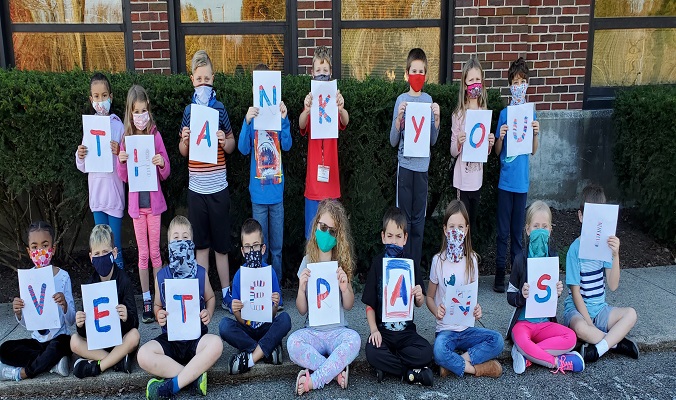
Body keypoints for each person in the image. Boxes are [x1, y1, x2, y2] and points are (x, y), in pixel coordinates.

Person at [137, 216, 222, 399]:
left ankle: (173, 385)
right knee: (143, 355)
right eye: (176, 238)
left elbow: (211, 298)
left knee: (216, 344)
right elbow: (157, 305)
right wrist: (159, 314)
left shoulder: (200, 273)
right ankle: (192, 378)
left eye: (185, 238)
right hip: (171, 338)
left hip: (196, 339)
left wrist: (209, 312)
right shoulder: (161, 276)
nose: (180, 241)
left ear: (191, 243)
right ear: (168, 244)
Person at [179, 50, 236, 311]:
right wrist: (185, 140)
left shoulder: (219, 108)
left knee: (221, 247)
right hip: (197, 189)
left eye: (207, 79)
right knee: (201, 246)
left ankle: (225, 292)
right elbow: (183, 151)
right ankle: (204, 294)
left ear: (213, 78)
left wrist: (226, 143)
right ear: (192, 80)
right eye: (198, 79)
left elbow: (232, 144)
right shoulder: (189, 111)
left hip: (218, 187)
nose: (203, 83)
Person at [287, 200, 360, 395]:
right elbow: (302, 309)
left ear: (339, 236)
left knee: (354, 340)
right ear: (316, 226)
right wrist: (301, 289)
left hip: (338, 331)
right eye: (323, 227)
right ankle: (335, 371)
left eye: (332, 231)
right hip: (313, 332)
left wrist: (345, 289)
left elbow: (350, 305)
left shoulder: (341, 262)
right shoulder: (307, 261)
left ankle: (316, 379)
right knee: (292, 343)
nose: (326, 234)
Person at [427, 200, 503, 379]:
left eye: (460, 227)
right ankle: (477, 369)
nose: (456, 231)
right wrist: (435, 310)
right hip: (445, 329)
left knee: (497, 341)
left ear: (466, 230)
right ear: (445, 229)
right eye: (452, 226)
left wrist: (477, 310)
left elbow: (472, 300)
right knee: (438, 350)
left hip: (467, 328)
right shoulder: (438, 261)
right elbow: (429, 297)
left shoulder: (472, 261)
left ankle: (455, 363)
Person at [563, 184, 639, 363]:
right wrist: (589, 323)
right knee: (581, 329)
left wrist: (615, 254)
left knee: (631, 314)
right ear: (581, 216)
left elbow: (613, 285)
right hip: (577, 311)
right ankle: (616, 343)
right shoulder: (574, 250)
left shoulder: (605, 246)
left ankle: (597, 349)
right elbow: (575, 293)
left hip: (601, 309)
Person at [506, 201, 584, 374]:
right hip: (523, 323)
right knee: (520, 338)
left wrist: (557, 290)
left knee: (571, 337)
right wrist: (521, 294)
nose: (540, 231)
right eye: (536, 226)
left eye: (544, 227)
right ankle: (558, 362)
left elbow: (548, 293)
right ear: (527, 230)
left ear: (550, 230)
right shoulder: (520, 259)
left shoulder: (552, 258)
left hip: (544, 323)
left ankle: (527, 356)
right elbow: (510, 295)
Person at [117, 85, 171, 323]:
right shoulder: (126, 140)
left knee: (156, 253)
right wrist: (121, 160)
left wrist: (161, 163)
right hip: (137, 209)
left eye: (144, 110)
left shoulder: (155, 135)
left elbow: (166, 171)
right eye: (136, 111)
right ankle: (147, 298)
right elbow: (124, 177)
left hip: (154, 206)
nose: (141, 115)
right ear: (130, 113)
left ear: (149, 110)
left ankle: (159, 298)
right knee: (143, 255)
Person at [362, 207, 434, 385]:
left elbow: (420, 302)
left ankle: (389, 367)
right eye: (390, 236)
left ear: (405, 238)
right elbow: (369, 305)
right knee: (372, 350)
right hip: (383, 332)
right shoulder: (378, 264)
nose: (394, 241)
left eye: (398, 236)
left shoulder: (410, 263)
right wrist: (374, 330)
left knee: (426, 352)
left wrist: (419, 297)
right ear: (383, 237)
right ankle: (410, 372)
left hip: (406, 333)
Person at [238, 64, 292, 289]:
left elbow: (287, 145)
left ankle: (275, 290)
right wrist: (247, 121)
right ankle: (262, 288)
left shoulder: (278, 119)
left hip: (276, 194)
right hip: (259, 196)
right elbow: (242, 148)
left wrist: (284, 119)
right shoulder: (254, 120)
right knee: (259, 246)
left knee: (276, 248)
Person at [0, 222, 75, 381]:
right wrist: (19, 313)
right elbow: (29, 324)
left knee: (59, 346)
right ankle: (52, 364)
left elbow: (71, 320)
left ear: (53, 249)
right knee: (5, 349)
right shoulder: (28, 279)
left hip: (59, 338)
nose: (39, 251)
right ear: (29, 251)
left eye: (45, 245)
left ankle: (23, 373)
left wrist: (65, 305)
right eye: (34, 247)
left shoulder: (63, 277)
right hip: (37, 342)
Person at [390, 47, 441, 273]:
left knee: (418, 223)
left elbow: (432, 140)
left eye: (421, 71)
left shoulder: (429, 101)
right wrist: (399, 119)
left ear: (426, 75)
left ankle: (416, 273)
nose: (417, 75)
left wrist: (437, 120)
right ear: (407, 74)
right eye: (414, 71)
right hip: (405, 167)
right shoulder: (401, 100)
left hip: (422, 168)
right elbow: (393, 140)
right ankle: (402, 267)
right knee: (404, 221)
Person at [492, 57, 541, 293]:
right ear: (510, 85)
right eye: (514, 81)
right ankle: (500, 274)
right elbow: (497, 151)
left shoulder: (530, 113)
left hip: (521, 183)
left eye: (522, 81)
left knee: (517, 233)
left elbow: (533, 150)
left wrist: (535, 133)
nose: (518, 85)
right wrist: (500, 136)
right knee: (503, 231)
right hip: (505, 182)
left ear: (527, 84)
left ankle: (516, 276)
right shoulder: (504, 113)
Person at [219, 218, 291, 375]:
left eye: (256, 246)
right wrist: (236, 309)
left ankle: (250, 355)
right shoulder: (239, 276)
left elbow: (272, 315)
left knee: (285, 319)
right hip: (247, 328)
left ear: (263, 248)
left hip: (266, 326)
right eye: (247, 247)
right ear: (243, 251)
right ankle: (267, 350)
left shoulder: (269, 272)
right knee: (224, 326)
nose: (252, 251)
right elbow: (240, 319)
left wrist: (274, 304)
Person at [70, 224, 141, 378]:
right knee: (74, 341)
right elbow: (83, 333)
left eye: (105, 252)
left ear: (114, 253)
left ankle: (98, 367)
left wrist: (126, 317)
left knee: (134, 335)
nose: (101, 257)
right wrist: (80, 323)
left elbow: (135, 323)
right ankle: (117, 361)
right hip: (99, 343)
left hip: (120, 341)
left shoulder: (124, 281)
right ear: (91, 257)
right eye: (97, 253)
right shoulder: (90, 285)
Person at [298, 46, 350, 239]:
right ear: (312, 73)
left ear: (330, 73)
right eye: (318, 71)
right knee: (312, 235)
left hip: (331, 182)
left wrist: (341, 107)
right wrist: (306, 109)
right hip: (313, 183)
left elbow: (345, 121)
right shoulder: (310, 99)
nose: (322, 74)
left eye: (325, 71)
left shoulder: (333, 99)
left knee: (331, 236)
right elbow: (302, 125)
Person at [75, 73, 125, 269]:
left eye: (104, 95)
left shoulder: (118, 125)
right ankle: (104, 280)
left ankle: (120, 284)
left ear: (110, 97)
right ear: (91, 99)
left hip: (114, 195)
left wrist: (118, 151)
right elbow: (83, 166)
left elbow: (126, 162)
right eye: (96, 96)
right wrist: (80, 155)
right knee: (100, 245)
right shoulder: (89, 126)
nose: (100, 100)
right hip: (97, 196)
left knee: (115, 245)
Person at [451, 56, 495, 238]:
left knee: (472, 224)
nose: (475, 84)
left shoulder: (484, 113)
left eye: (478, 80)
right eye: (471, 80)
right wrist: (459, 142)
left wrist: (490, 143)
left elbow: (483, 150)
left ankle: (471, 259)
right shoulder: (459, 115)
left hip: (477, 180)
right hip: (462, 181)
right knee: (462, 223)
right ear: (464, 84)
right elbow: (453, 151)